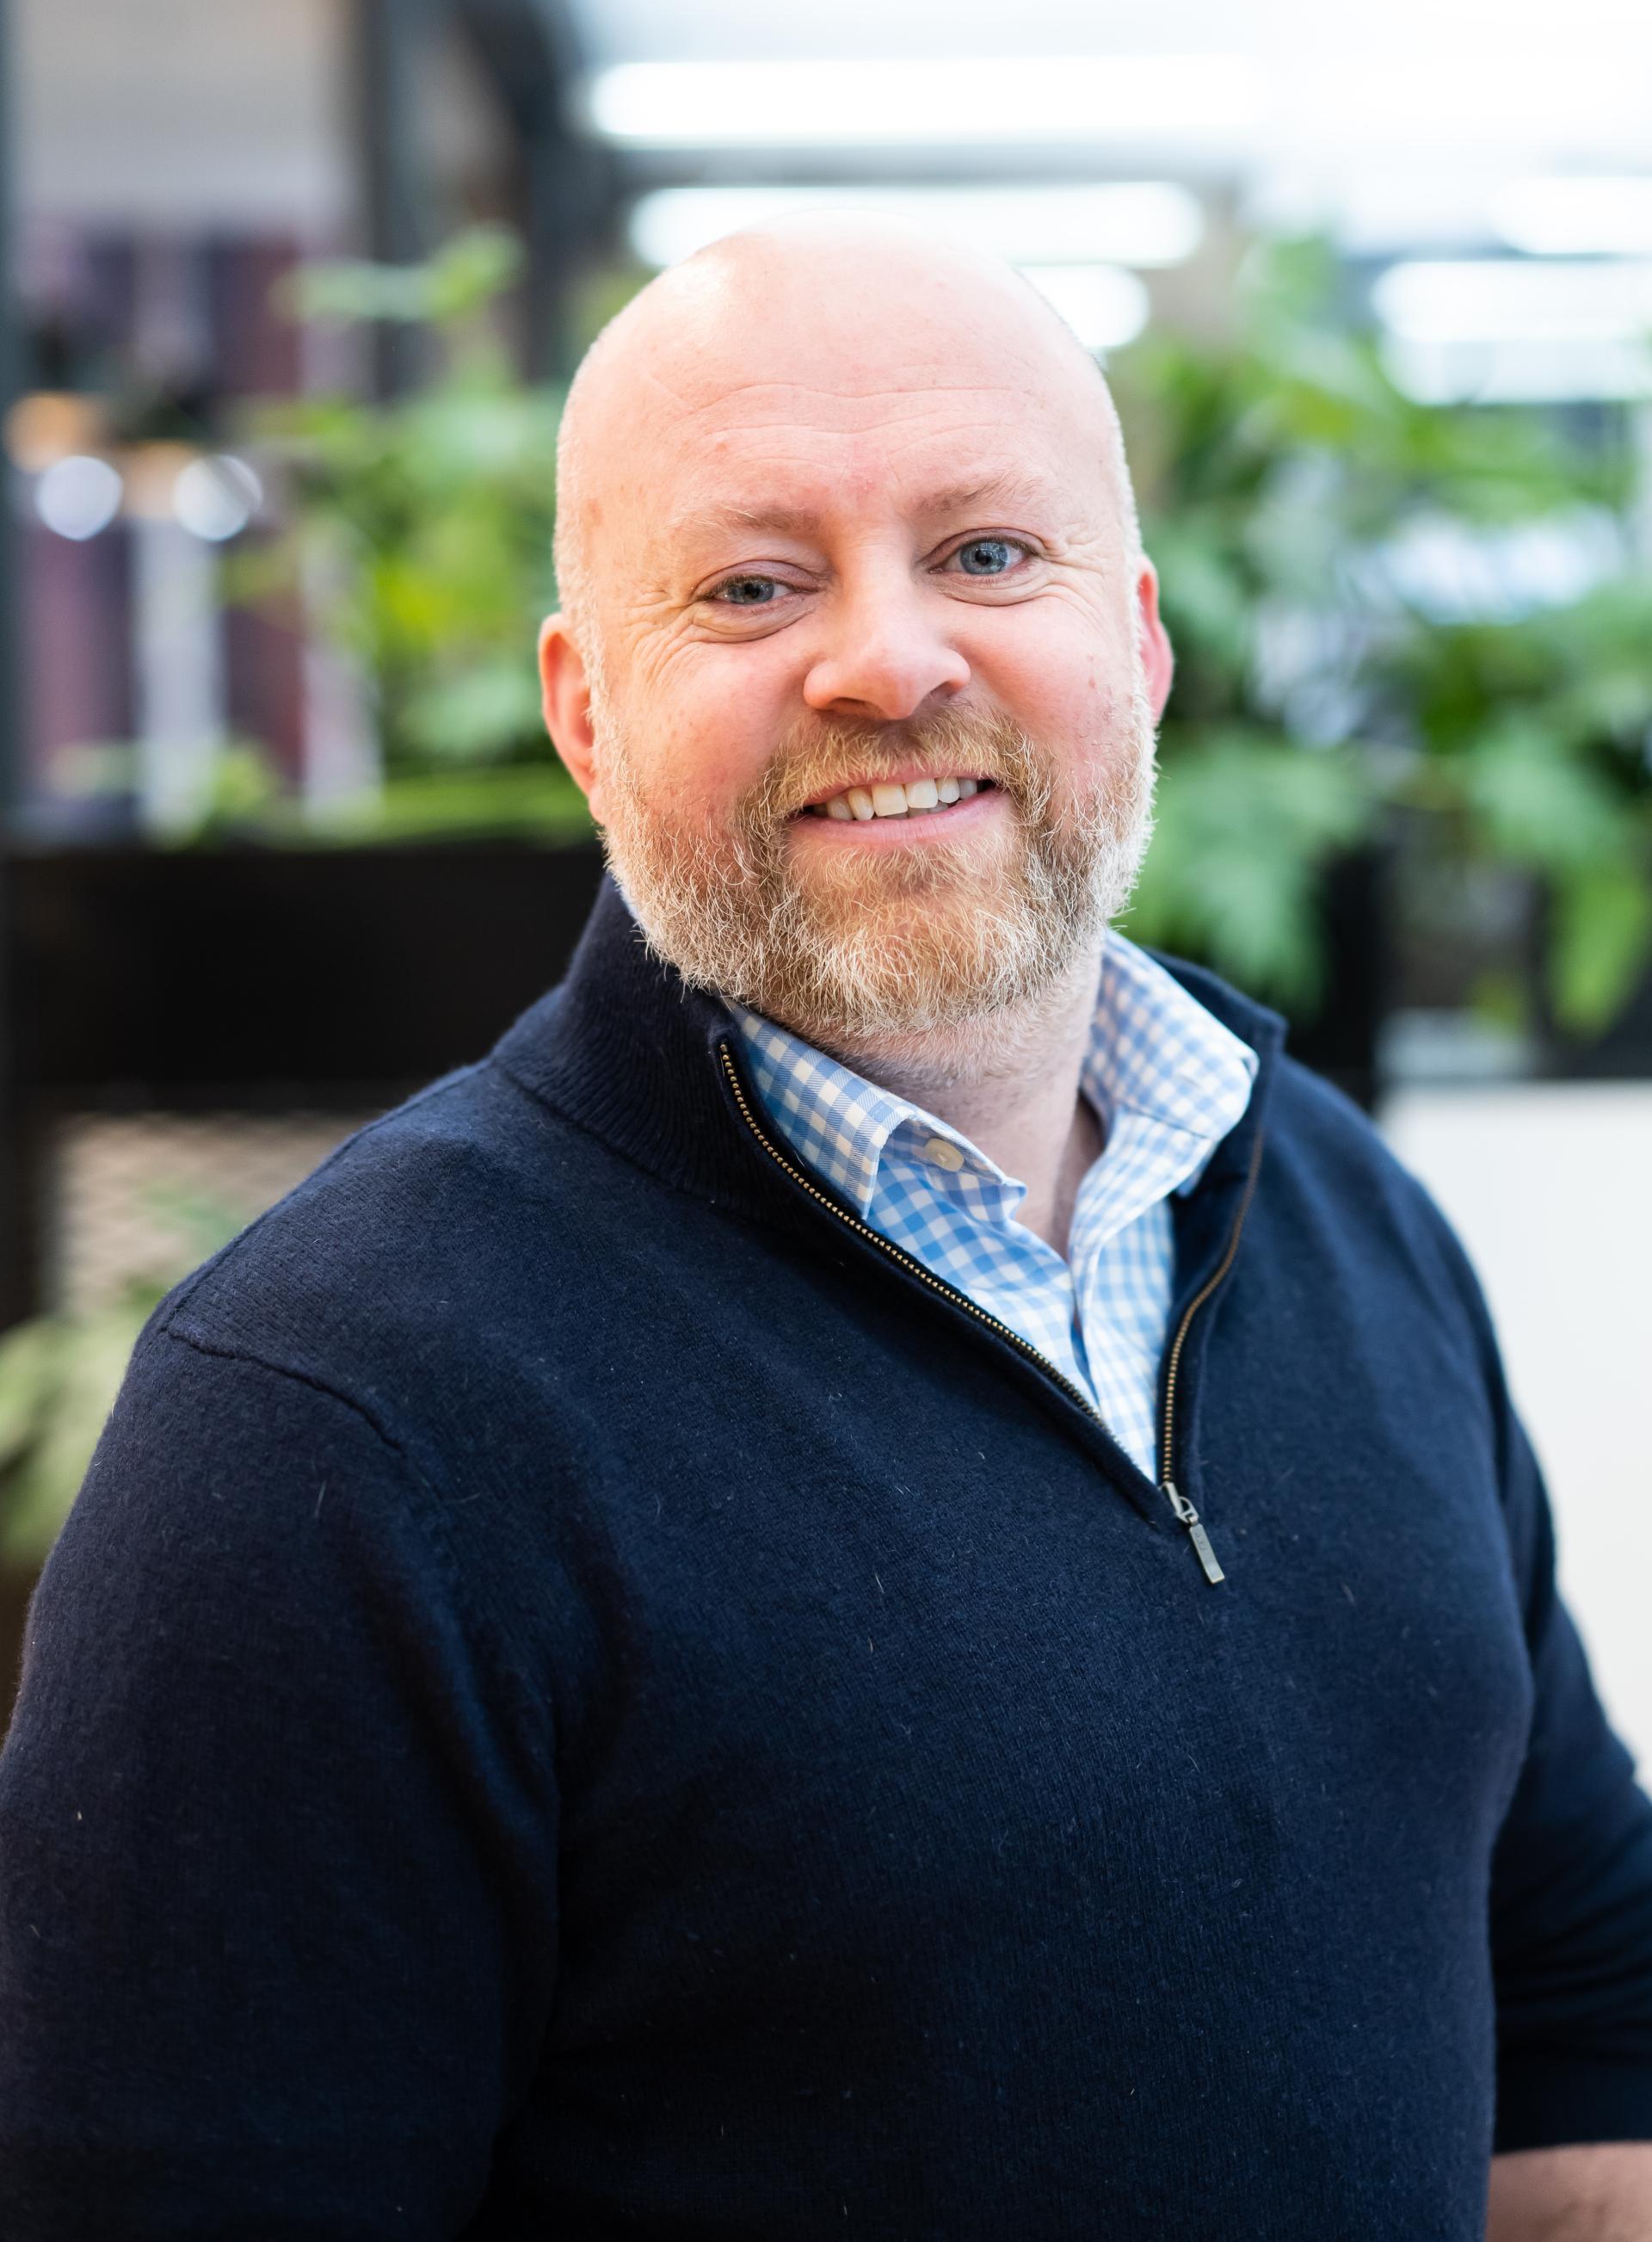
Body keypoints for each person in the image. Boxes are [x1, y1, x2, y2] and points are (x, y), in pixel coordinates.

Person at [1, 221, 1649, 2240]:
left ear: (1135, 642)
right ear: (587, 710)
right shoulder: (334, 1426)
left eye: (986, 555)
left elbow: (1579, 2008)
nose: (891, 661)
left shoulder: (1332, 1206)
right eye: (752, 585)